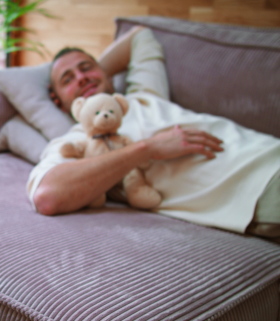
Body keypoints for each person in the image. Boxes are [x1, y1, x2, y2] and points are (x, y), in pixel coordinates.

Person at [28, 26, 280, 238]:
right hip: (258, 186)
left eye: (86, 67)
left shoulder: (144, 94)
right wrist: (147, 149)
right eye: (67, 79)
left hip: (268, 151)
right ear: (57, 101)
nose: (81, 77)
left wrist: (90, 78)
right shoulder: (76, 140)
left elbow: (140, 35)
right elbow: (47, 195)